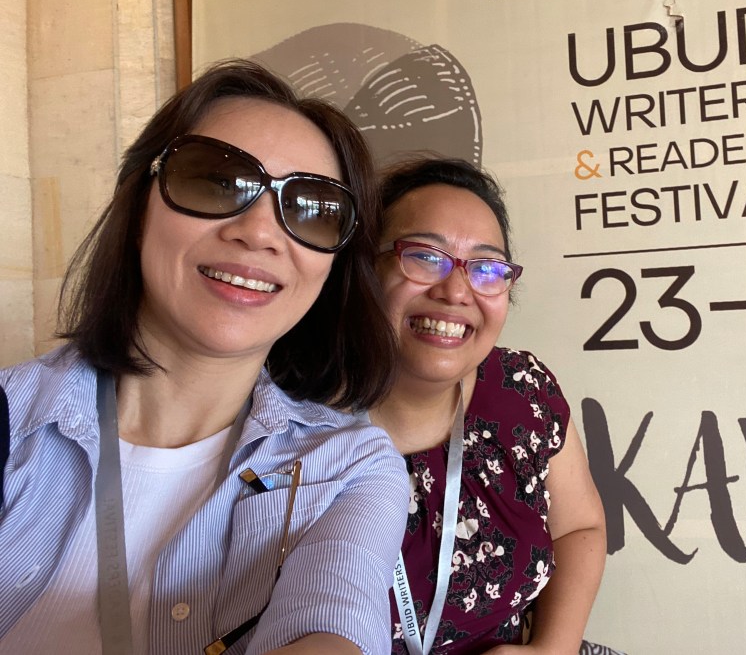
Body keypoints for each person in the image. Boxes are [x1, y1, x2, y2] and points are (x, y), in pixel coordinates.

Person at [0, 61, 408, 655]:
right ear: (138, 205)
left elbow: (329, 629)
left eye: (313, 209)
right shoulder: (13, 421)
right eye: (216, 182)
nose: (260, 232)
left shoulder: (348, 467)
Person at [371, 158, 607, 654]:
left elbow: (580, 527)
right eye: (424, 256)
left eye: (486, 268)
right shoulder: (290, 427)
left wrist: (552, 650)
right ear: (363, 270)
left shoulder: (523, 391)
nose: (456, 291)